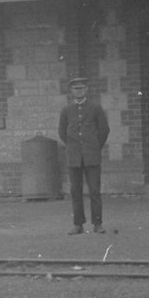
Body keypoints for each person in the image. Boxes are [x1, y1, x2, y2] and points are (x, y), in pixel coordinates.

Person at [58, 77, 110, 235]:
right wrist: (73, 147)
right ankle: (78, 224)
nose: (78, 91)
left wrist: (94, 146)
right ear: (71, 91)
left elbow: (104, 130)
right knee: (75, 191)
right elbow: (62, 132)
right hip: (74, 157)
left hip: (91, 156)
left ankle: (97, 223)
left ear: (86, 90)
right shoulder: (67, 110)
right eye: (75, 89)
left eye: (81, 88)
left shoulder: (95, 108)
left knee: (94, 190)